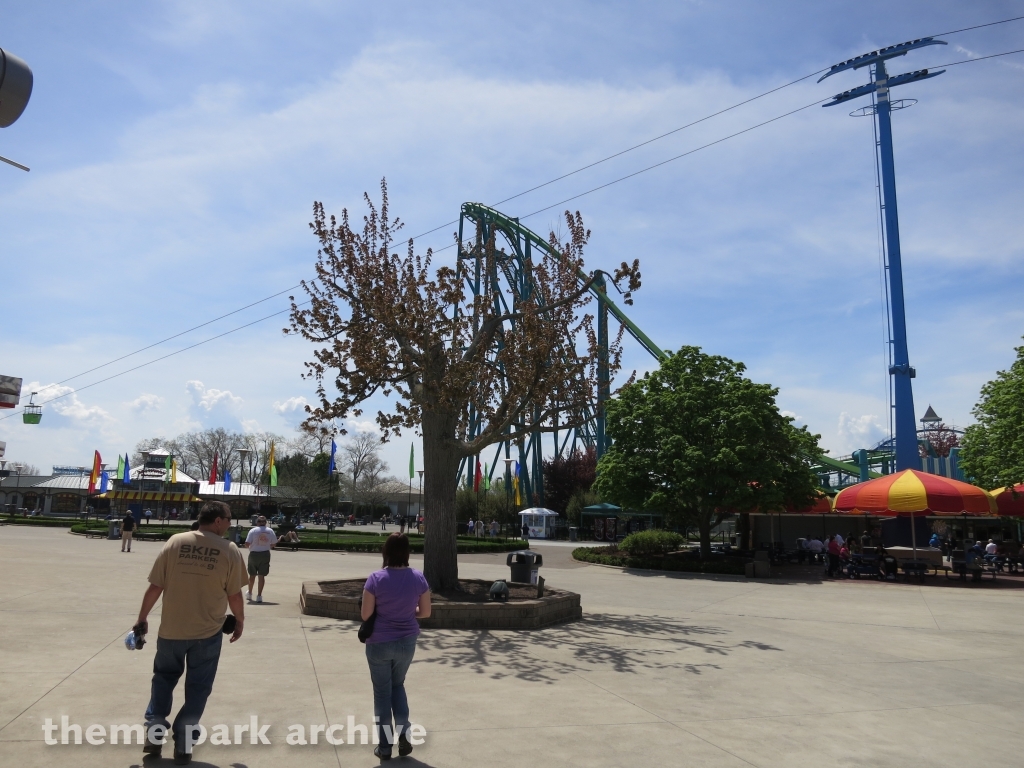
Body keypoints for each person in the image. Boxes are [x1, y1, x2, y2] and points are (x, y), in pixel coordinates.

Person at [136, 501, 246, 764]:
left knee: (163, 678)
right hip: (207, 633)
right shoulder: (229, 550)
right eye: (229, 518)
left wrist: (142, 618)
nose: (230, 523)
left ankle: (155, 729)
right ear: (218, 521)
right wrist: (240, 621)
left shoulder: (175, 542)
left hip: (171, 630)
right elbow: (235, 594)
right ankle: (184, 740)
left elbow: (155, 587)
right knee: (198, 688)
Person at [361, 533, 431, 760]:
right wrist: (408, 613)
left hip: (379, 642)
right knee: (398, 686)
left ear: (386, 552)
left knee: (382, 693)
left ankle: (384, 747)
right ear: (407, 552)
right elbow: (426, 612)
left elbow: (366, 614)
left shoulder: (375, 578)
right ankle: (404, 735)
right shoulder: (418, 578)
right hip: (407, 641)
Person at [244, 516, 277, 603]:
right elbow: (274, 544)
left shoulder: (253, 530)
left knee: (252, 575)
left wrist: (251, 548)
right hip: (265, 554)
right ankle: (259, 596)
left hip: (254, 554)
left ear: (257, 522)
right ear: (265, 522)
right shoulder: (270, 531)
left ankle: (250, 593)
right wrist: (267, 546)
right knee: (261, 575)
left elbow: (247, 543)